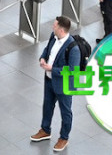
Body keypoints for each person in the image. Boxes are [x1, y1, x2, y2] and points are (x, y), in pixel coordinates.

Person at [30, 16, 81, 152]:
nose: (53, 27)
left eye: (55, 26)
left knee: (65, 112)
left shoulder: (73, 48)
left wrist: (52, 69)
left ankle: (64, 137)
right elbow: (47, 49)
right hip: (49, 80)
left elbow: (72, 71)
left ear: (61, 30)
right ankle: (45, 130)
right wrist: (42, 58)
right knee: (47, 106)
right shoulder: (53, 37)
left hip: (64, 85)